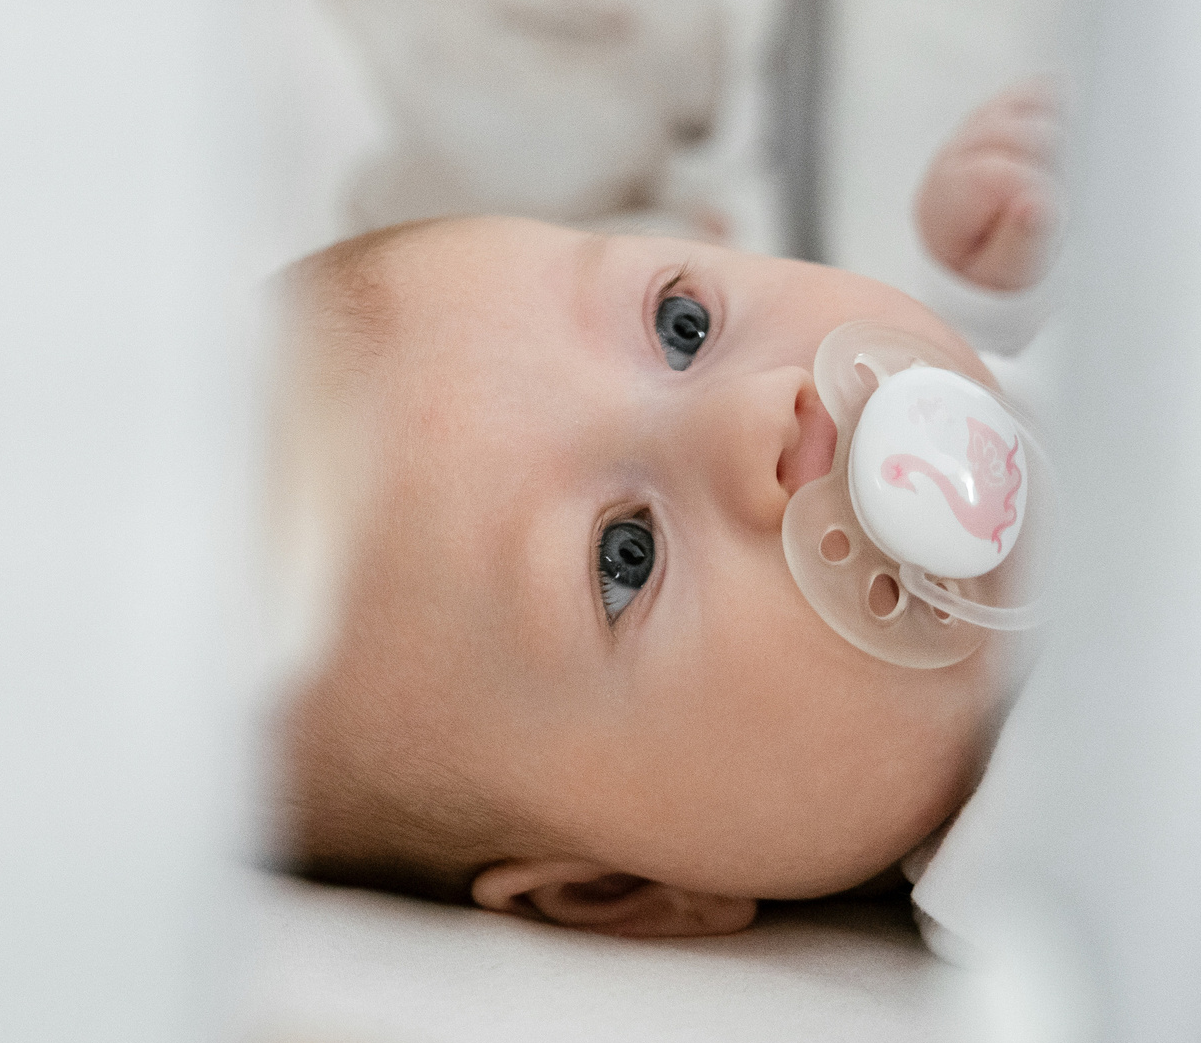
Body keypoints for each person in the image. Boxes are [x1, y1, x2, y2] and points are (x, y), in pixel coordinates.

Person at [276, 80, 1062, 936]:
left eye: (682, 325)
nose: (758, 416)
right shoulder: (1058, 870)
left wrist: (1001, 295)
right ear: (618, 889)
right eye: (627, 558)